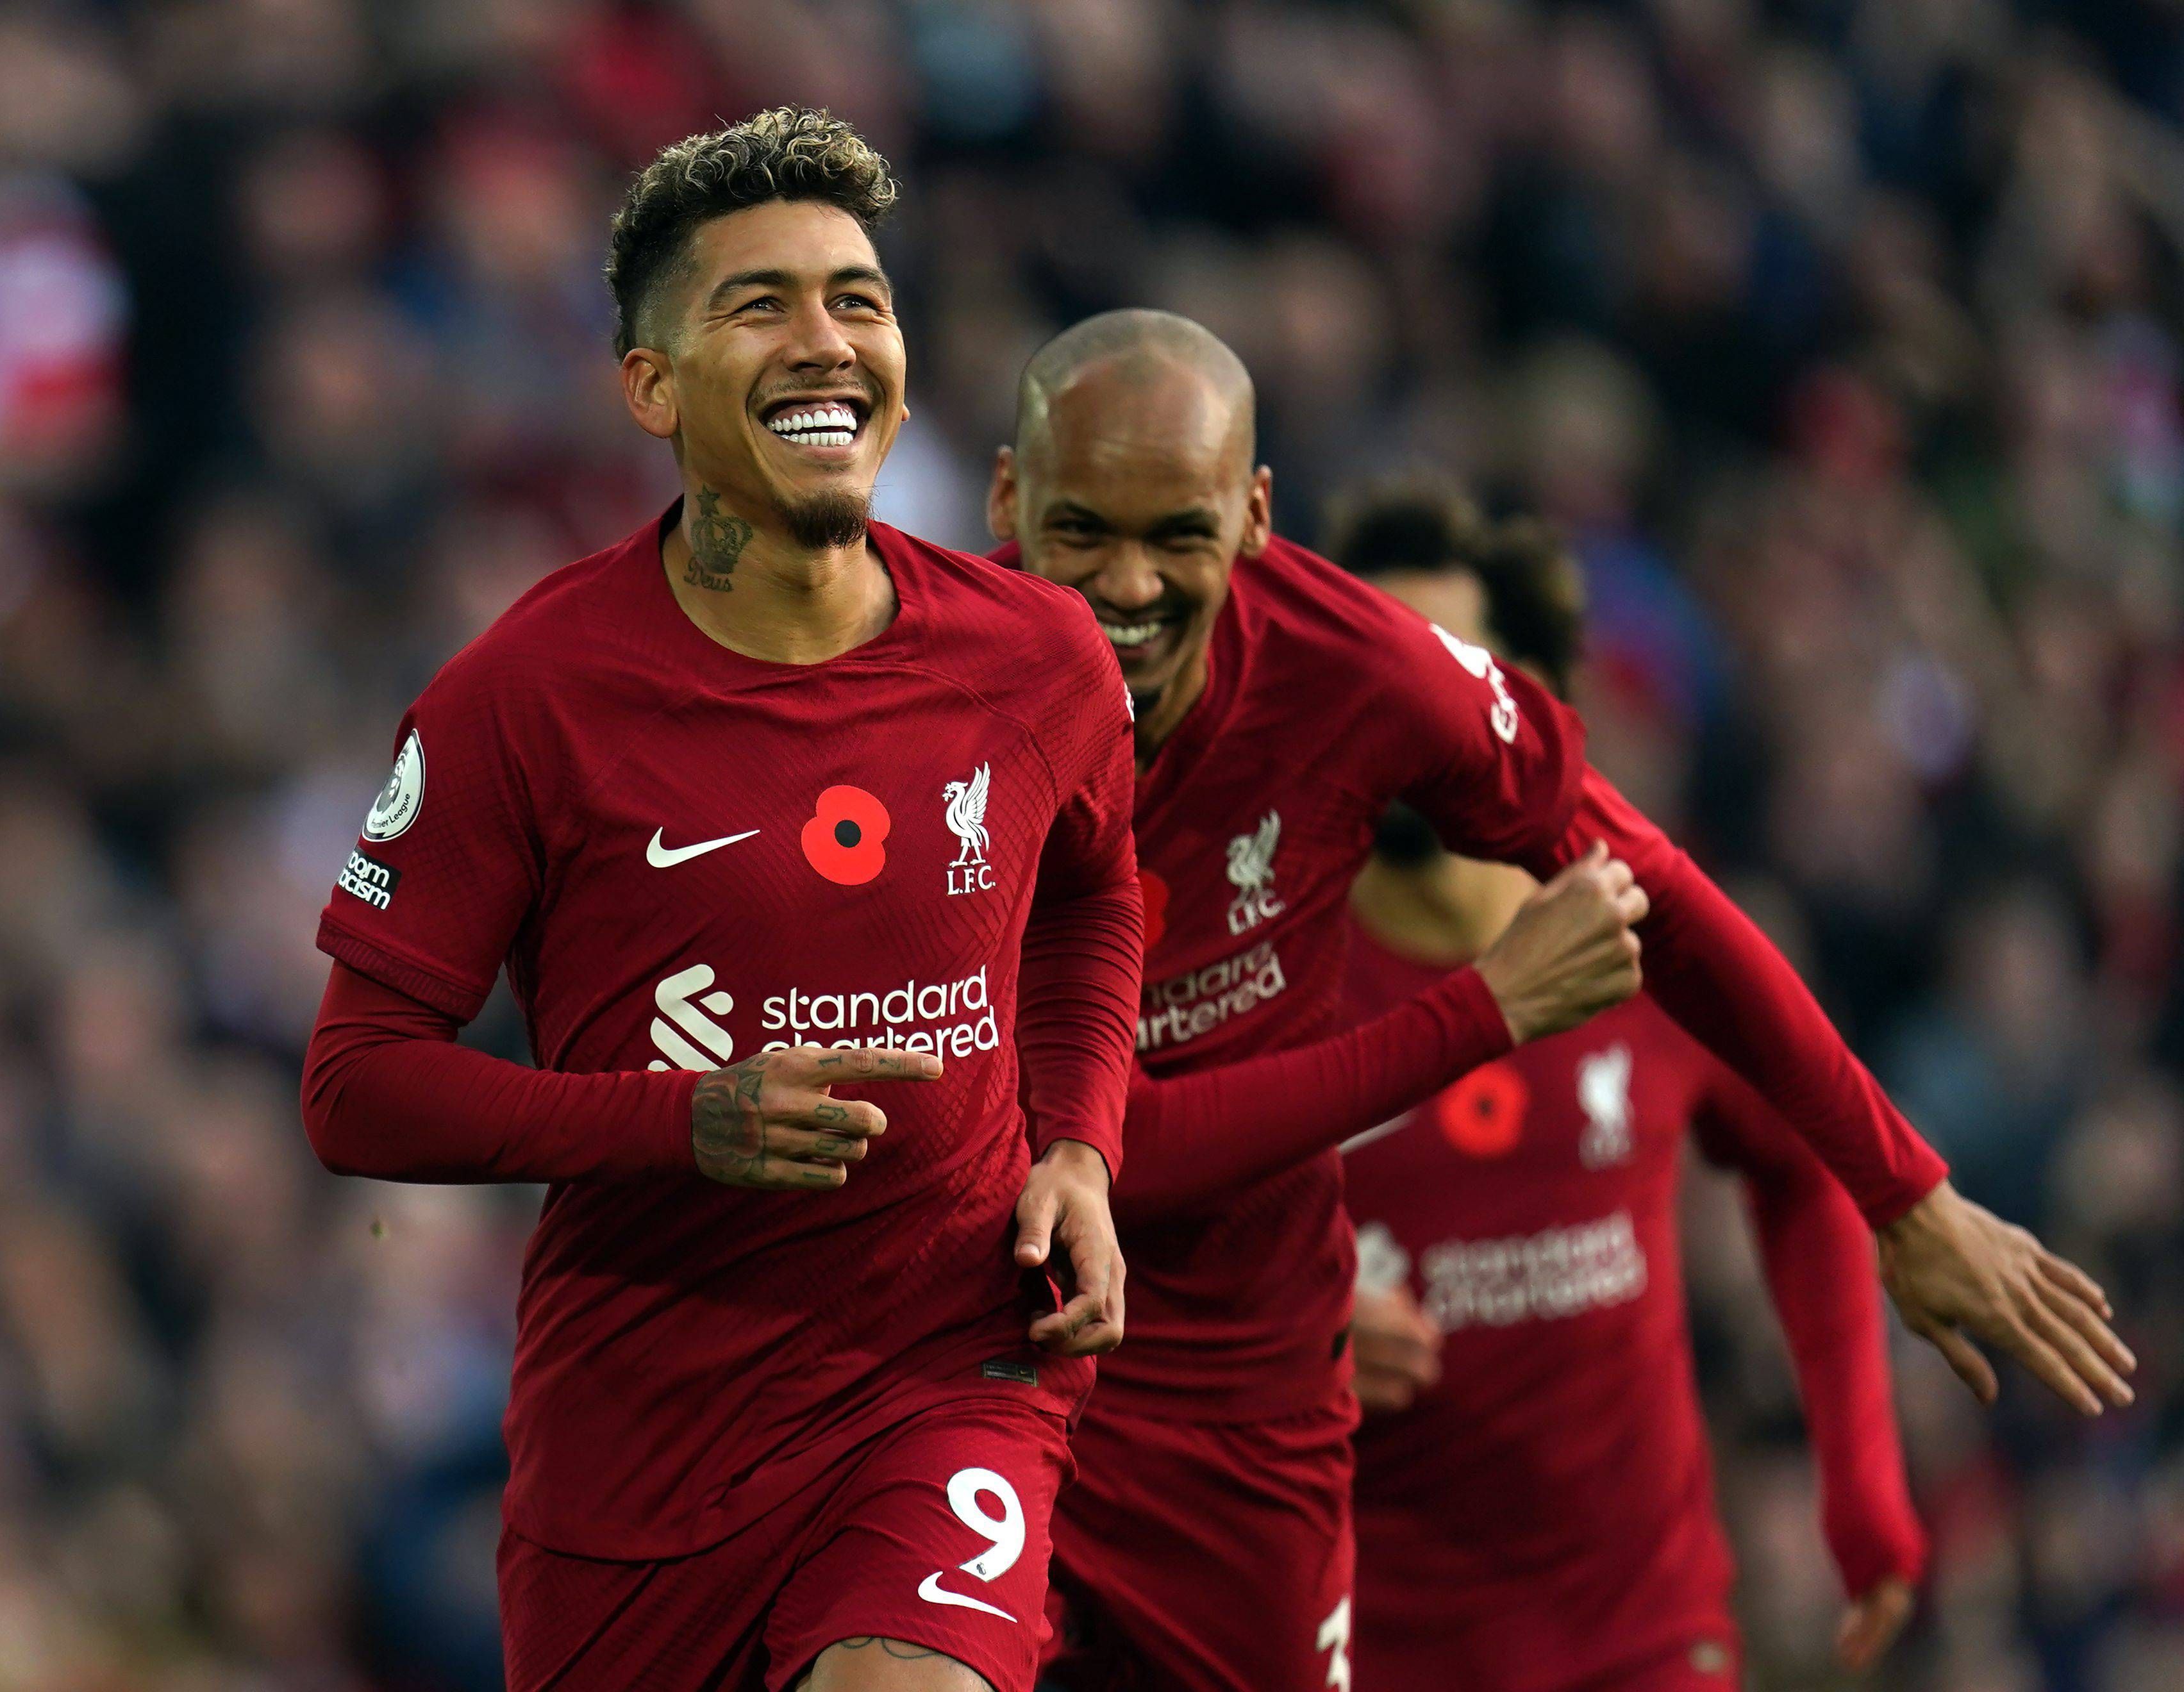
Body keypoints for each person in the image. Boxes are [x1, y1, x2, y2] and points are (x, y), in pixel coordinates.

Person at [985, 309, 2133, 1692]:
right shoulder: (941, 711)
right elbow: (1099, 1154)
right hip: (1005, 1383)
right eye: (1081, 531)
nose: (1131, 583)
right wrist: (1475, 1023)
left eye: (1178, 533)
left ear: (1254, 517)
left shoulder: (1390, 717)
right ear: (1007, 502)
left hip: (1309, 1471)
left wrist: (1900, 1200)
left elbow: (1699, 971)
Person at [299, 109, 1147, 1692]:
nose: (826, 342)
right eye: (760, 305)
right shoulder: (523, 698)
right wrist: (667, 1123)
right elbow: (354, 1090)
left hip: (950, 1369)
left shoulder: (1040, 657)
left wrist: (1082, 1144)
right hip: (644, 1439)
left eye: (858, 299)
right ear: (650, 386)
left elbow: (1095, 893)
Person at [1333, 489, 1923, 1692]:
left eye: (1444, 677)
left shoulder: (1657, 947)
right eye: (1368, 674)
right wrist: (1278, 1342)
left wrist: (1861, 1490)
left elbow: (1800, 1170)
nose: (1397, 718)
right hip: (1369, 1644)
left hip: (1643, 1641)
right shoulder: (1259, 977)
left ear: (1530, 714)